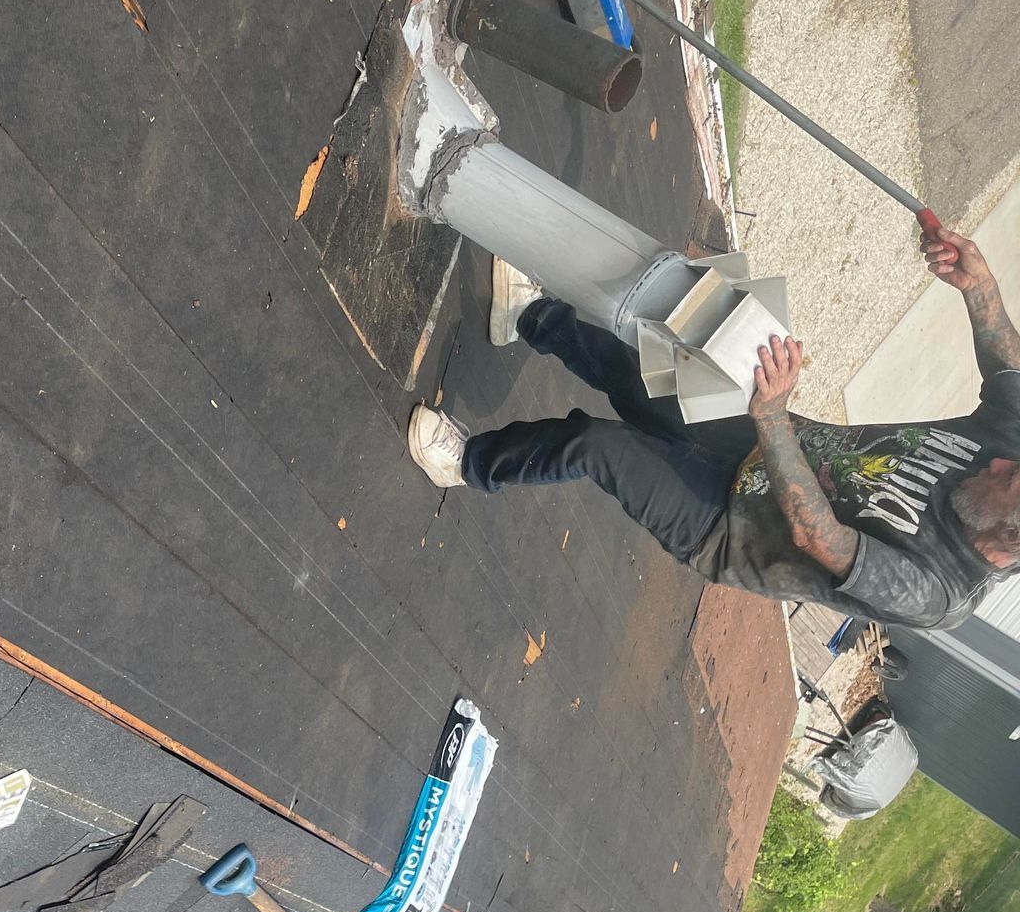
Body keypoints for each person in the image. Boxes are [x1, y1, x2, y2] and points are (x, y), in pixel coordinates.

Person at [406, 225, 1020, 629]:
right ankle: (529, 316)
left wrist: (771, 415)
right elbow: (1007, 367)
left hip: (725, 525)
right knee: (635, 377)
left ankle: (468, 464)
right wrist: (980, 287)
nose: (996, 461)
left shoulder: (935, 592)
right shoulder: (1013, 450)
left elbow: (819, 537)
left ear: (1010, 539)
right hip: (762, 440)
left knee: (597, 446)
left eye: (1007, 481)